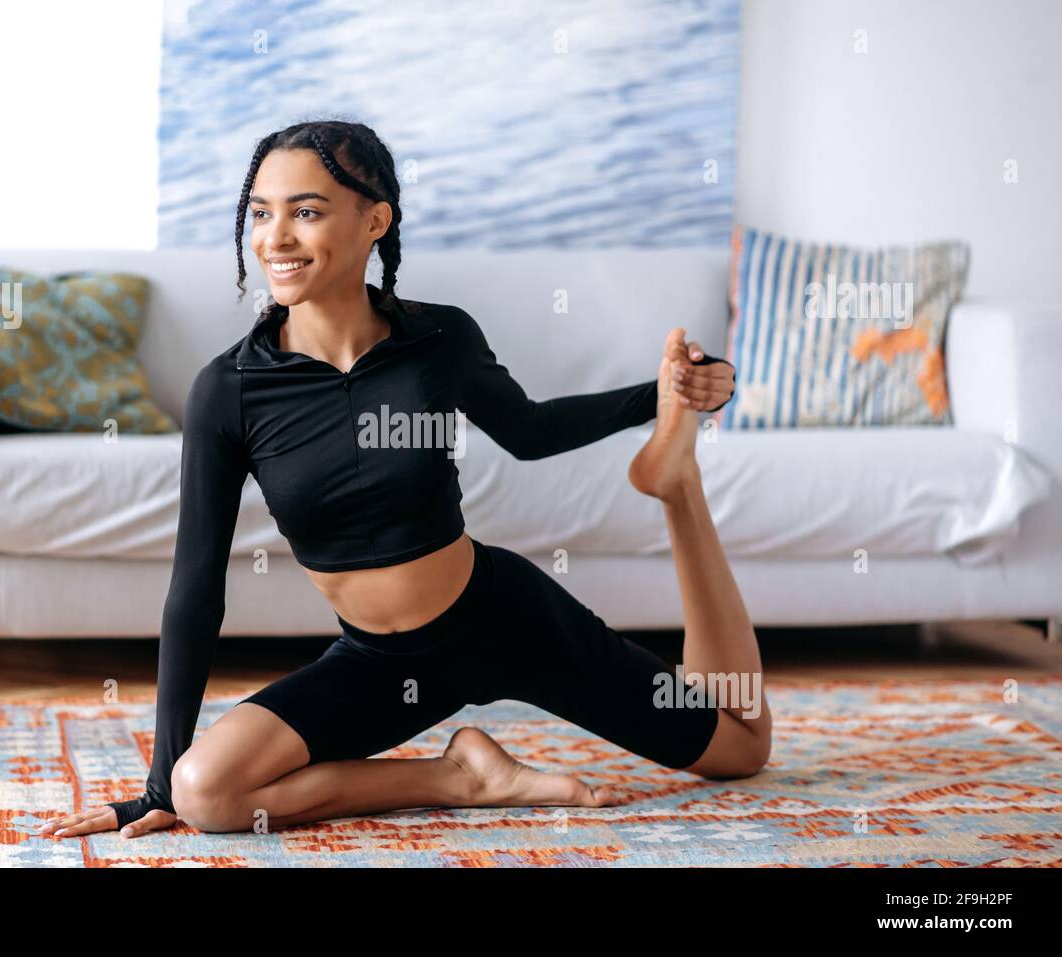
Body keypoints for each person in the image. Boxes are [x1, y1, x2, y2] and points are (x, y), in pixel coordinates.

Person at [40, 120, 772, 841]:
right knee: (207, 793)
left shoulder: (438, 340)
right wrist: (159, 785)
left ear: (374, 221)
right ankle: (458, 777)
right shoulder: (229, 389)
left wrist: (668, 393)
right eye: (261, 213)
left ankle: (677, 488)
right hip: (376, 663)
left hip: (507, 622)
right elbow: (196, 589)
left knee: (740, 749)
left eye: (306, 211)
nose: (276, 237)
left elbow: (531, 430)